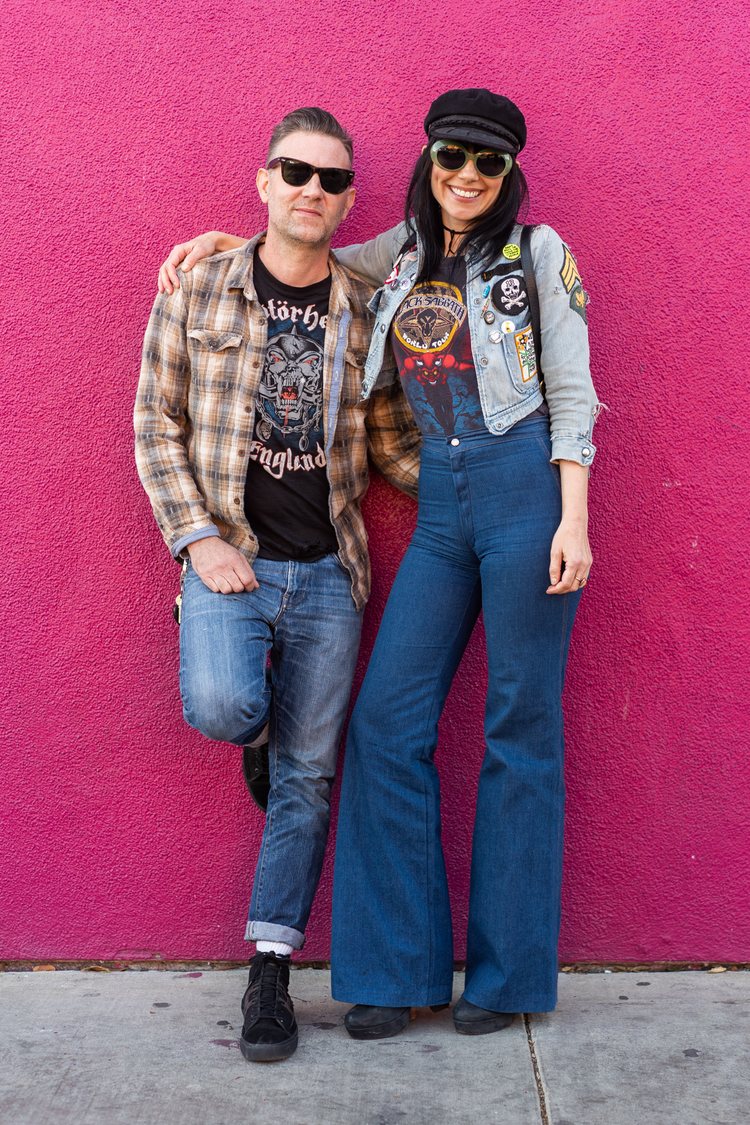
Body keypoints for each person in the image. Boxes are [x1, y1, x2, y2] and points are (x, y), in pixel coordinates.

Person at [157, 88, 602, 1039]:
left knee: (520, 727)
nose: (468, 178)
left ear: (510, 173)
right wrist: (210, 242)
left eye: (489, 163)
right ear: (429, 162)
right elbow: (297, 248)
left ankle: (508, 977)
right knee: (384, 725)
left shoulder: (538, 253)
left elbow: (571, 390)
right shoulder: (395, 254)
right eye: (453, 157)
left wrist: (575, 519)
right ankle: (397, 971)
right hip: (441, 507)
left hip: (527, 494)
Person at [136, 107, 420, 1062]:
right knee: (224, 706)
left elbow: (386, 442)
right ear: (264, 180)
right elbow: (154, 424)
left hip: (330, 573)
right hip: (231, 562)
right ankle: (257, 729)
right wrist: (196, 539)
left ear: (347, 202)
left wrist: (487, 464)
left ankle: (269, 969)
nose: (313, 189)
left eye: (333, 180)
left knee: (310, 777)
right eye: (295, 171)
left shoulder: (363, 304)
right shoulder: (199, 286)